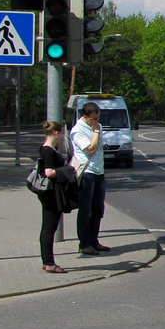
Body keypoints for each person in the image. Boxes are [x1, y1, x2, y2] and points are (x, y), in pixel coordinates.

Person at [70, 101, 110, 256]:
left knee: (98, 209)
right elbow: (91, 149)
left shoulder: (97, 127)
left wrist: (96, 130)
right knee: (86, 209)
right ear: (86, 116)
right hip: (87, 173)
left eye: (98, 118)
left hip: (99, 172)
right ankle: (85, 243)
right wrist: (95, 132)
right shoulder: (78, 130)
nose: (97, 121)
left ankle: (94, 240)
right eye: (94, 118)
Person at [37, 121, 70, 273]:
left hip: (49, 193)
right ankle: (49, 262)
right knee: (49, 228)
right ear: (56, 133)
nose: (62, 137)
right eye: (62, 133)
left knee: (49, 227)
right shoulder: (48, 151)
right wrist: (65, 171)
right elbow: (49, 172)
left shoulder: (47, 149)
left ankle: (48, 261)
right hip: (50, 193)